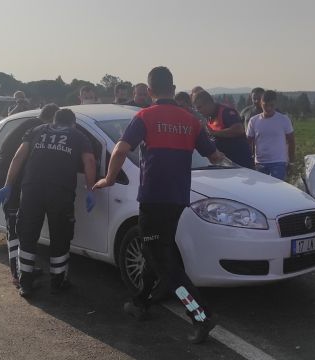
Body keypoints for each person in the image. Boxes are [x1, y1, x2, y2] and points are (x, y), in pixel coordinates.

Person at [94, 66, 224, 344]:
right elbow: (213, 156)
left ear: (150, 91)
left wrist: (108, 178)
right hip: (177, 199)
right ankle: (140, 303)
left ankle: (200, 315)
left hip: (153, 198)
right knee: (156, 250)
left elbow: (120, 149)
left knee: (163, 262)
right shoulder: (191, 120)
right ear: (174, 88)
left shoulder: (144, 116)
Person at [0, 108, 97, 297]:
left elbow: (18, 157)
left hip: (31, 189)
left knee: (27, 234)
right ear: (73, 123)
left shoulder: (36, 131)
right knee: (60, 235)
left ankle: (25, 284)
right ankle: (58, 283)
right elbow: (90, 161)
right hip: (60, 191)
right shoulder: (78, 135)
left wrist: (8, 185)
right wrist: (91, 190)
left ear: (54, 121)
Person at [0, 104, 59, 288]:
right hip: (10, 181)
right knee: (14, 229)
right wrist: (8, 185)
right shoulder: (36, 128)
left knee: (20, 228)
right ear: (52, 118)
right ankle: (16, 274)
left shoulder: (31, 124)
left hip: (13, 180)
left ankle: (23, 268)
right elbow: (17, 158)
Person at [193, 90, 253, 168]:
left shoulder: (225, 112)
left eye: (199, 107)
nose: (198, 111)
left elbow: (239, 130)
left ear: (208, 103)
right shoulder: (209, 117)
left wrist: (214, 133)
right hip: (226, 164)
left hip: (240, 162)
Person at [246, 90, 295, 180]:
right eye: (265, 105)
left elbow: (291, 141)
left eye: (271, 105)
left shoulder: (284, 120)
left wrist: (291, 162)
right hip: (259, 163)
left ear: (275, 104)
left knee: (277, 190)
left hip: (278, 163)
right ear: (261, 104)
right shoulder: (253, 121)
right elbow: (248, 142)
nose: (268, 108)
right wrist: (249, 161)